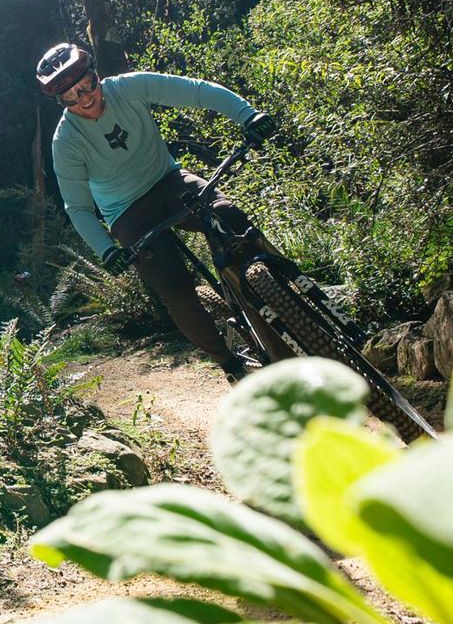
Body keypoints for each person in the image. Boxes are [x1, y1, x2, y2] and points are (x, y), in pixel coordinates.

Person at [37, 42, 278, 378]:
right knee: (172, 287)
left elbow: (195, 92)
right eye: (69, 97)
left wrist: (247, 114)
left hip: (168, 180)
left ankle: (281, 287)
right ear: (60, 102)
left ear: (95, 75)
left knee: (227, 214)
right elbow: (77, 207)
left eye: (86, 86)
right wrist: (106, 250)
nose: (83, 99)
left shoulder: (128, 88)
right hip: (126, 213)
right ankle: (230, 363)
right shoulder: (66, 143)